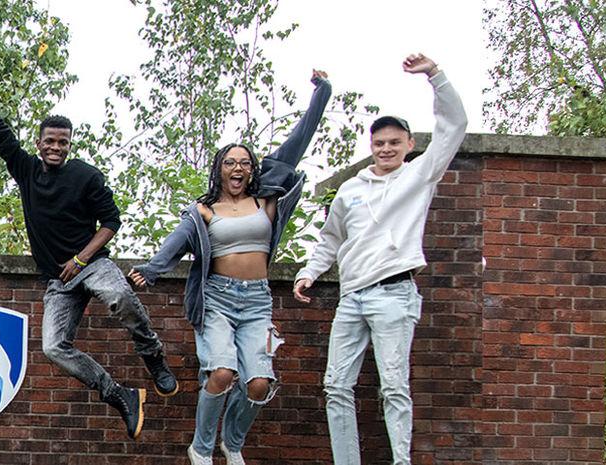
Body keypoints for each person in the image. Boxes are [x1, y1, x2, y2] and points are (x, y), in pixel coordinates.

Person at [0, 64, 179, 440]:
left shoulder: (85, 176)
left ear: (69, 144)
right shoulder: (27, 171)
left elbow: (111, 222)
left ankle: (152, 356)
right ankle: (120, 395)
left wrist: (81, 259)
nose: (55, 148)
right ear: (40, 143)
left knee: (119, 293)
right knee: (54, 347)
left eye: (62, 142)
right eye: (50, 141)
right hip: (58, 280)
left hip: (90, 264)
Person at [130, 70, 333, 465]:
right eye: (230, 162)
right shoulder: (204, 211)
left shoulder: (267, 202)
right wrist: (152, 269)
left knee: (258, 384)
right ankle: (202, 449)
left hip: (257, 301)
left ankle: (232, 443)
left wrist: (321, 94)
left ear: (253, 169)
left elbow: (298, 141)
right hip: (218, 299)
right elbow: (177, 242)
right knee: (222, 374)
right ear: (219, 169)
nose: (237, 168)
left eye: (244, 163)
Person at [292, 54, 465, 465]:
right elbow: (331, 238)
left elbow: (454, 126)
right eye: (379, 143)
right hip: (351, 297)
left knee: (393, 386)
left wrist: (435, 76)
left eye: (394, 142)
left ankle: (400, 460)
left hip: (394, 294)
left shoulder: (419, 175)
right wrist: (310, 272)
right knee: (336, 386)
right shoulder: (351, 189)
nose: (386, 148)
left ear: (409, 145)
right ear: (372, 147)